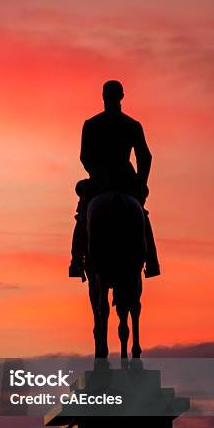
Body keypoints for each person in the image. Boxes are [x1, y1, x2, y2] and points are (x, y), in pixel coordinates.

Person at [69, 80, 160, 279]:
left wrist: (97, 174)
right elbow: (145, 157)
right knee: (142, 216)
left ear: (104, 96)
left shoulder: (91, 125)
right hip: (125, 180)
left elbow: (85, 157)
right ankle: (152, 262)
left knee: (83, 215)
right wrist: (140, 183)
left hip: (100, 180)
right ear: (122, 97)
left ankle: (77, 260)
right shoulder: (132, 125)